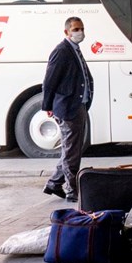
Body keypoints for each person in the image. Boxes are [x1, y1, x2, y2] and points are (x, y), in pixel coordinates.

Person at [41, 17, 94, 202]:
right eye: (76, 29)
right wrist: (47, 106)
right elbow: (49, 81)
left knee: (72, 150)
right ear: (67, 32)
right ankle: (72, 191)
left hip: (78, 106)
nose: (80, 32)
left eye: (82, 28)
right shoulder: (61, 51)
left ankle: (54, 184)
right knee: (72, 151)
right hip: (68, 108)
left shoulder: (75, 50)